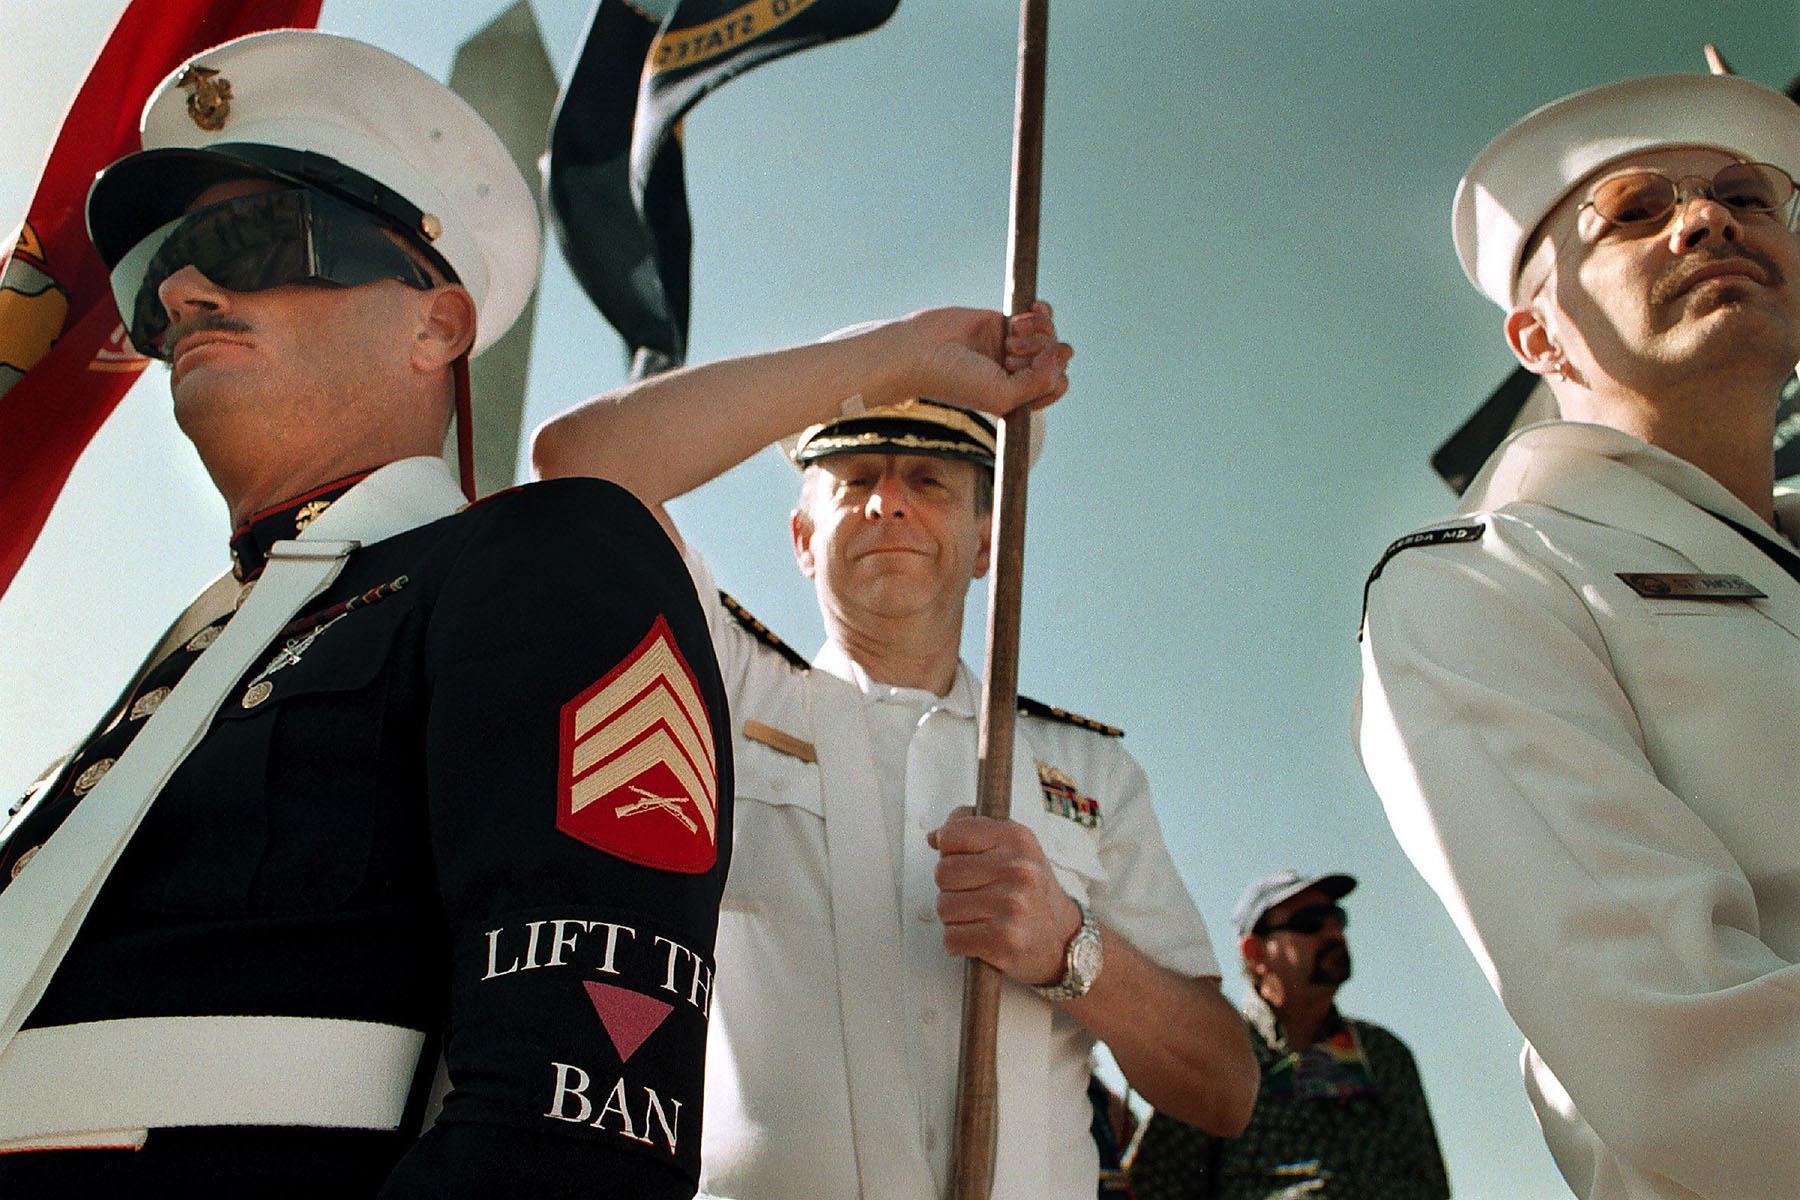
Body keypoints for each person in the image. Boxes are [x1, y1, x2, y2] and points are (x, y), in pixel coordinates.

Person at [0, 31, 731, 1198]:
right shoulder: (159, 684)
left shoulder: (548, 560)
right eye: (156, 281)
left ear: (435, 325)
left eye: (247, 240)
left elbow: (573, 1133)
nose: (185, 292)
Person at [532, 307, 1258, 1198]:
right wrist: (899, 352)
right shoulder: (722, 687)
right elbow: (577, 467)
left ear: (990, 540)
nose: (889, 500)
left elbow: (1226, 1088)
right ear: (802, 541)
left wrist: (1073, 948)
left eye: (929, 477)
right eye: (854, 478)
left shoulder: (1090, 774)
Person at [1355, 72, 1800, 1200]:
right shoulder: (1480, 584)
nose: (1711, 219)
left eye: (1746, 196)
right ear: (1542, 338)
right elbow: (1688, 1059)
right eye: (1638, 211)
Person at [1127, 870, 1449, 1199]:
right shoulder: (1216, 1054)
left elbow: (1430, 1184)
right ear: (1255, 952)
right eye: (1310, 922)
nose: (1332, 931)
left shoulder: (1382, 1054)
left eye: (1337, 917)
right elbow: (1154, 1185)